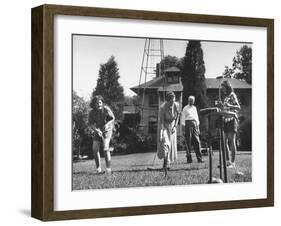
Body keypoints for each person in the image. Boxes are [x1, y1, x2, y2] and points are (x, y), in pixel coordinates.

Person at [88, 95, 115, 173]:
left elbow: (113, 118)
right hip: (98, 130)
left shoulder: (106, 109)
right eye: (97, 103)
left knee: (106, 148)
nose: (99, 104)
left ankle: (108, 169)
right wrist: (96, 130)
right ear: (94, 104)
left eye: (100, 102)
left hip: (107, 130)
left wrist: (107, 124)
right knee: (95, 149)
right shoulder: (92, 112)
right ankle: (98, 169)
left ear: (102, 103)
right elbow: (90, 124)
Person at [220, 80, 240, 168]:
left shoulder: (232, 95)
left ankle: (233, 162)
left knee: (232, 141)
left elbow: (238, 107)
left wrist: (229, 105)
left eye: (223, 87)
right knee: (224, 142)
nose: (222, 89)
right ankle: (228, 162)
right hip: (225, 120)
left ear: (227, 87)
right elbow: (225, 108)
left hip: (232, 119)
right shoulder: (225, 97)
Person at [157, 91, 180, 170]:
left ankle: (168, 164)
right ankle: (165, 164)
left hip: (172, 126)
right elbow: (162, 121)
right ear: (167, 101)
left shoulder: (176, 105)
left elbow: (177, 116)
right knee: (165, 144)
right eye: (171, 102)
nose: (172, 103)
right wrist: (162, 132)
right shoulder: (162, 108)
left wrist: (175, 126)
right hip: (165, 126)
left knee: (171, 145)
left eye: (173, 101)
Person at [181, 96, 203, 163]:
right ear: (188, 100)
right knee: (188, 142)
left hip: (195, 124)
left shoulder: (194, 108)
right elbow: (183, 119)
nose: (191, 102)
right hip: (188, 124)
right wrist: (183, 129)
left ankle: (199, 158)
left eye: (193, 100)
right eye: (190, 100)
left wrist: (198, 128)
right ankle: (189, 159)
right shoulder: (185, 108)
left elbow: (197, 118)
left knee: (197, 141)